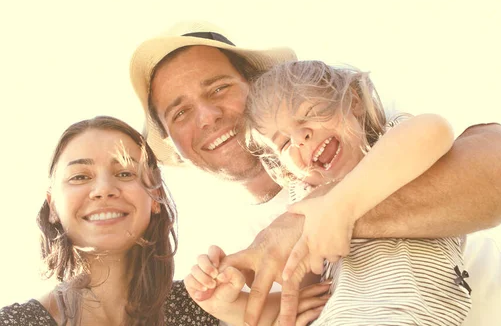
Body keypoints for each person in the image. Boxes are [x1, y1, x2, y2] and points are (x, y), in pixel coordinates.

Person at [129, 21, 501, 326]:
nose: (206, 117)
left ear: (261, 86)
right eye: (180, 112)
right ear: (175, 146)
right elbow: (292, 310)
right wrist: (230, 307)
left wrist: (324, 215)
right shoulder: (243, 245)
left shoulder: (359, 136)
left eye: (219, 88)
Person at [187, 60, 474, 325]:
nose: (300, 139)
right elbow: (298, 306)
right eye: (284, 143)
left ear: (354, 100)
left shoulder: (391, 144)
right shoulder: (305, 203)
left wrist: (341, 206)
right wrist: (229, 304)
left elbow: (434, 129)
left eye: (309, 115)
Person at [0, 116, 327, 326]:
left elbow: (331, 303)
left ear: (155, 196)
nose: (103, 190)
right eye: (80, 176)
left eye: (125, 172)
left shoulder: (209, 304)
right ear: (52, 205)